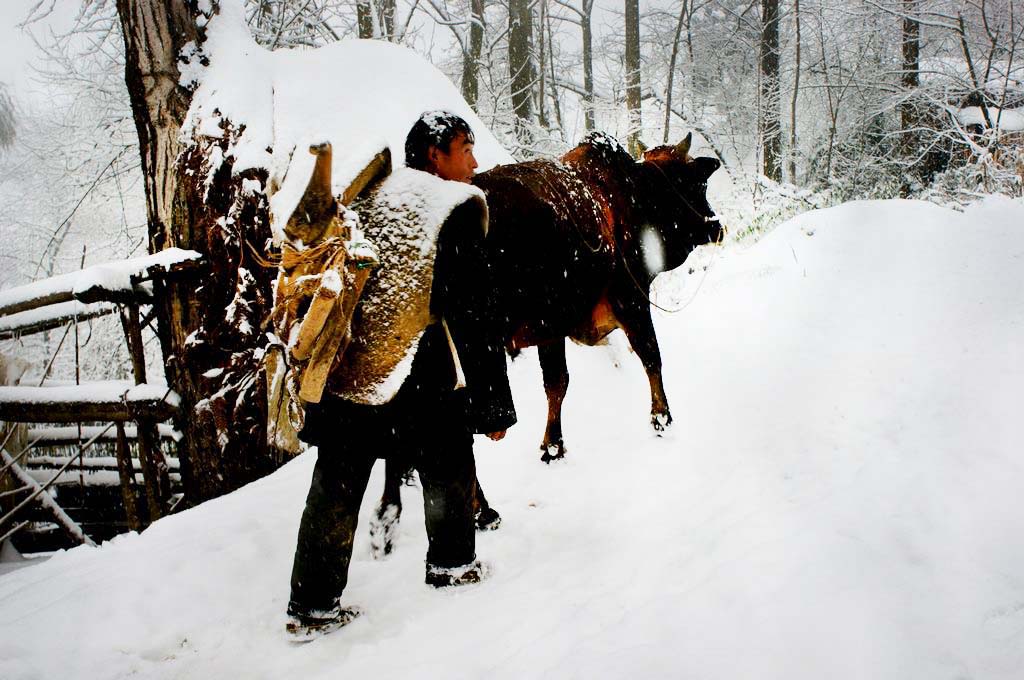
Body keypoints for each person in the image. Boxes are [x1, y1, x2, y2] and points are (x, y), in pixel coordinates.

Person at [285, 111, 516, 640]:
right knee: (448, 465)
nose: (475, 162)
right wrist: (492, 405)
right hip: (423, 372)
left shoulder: (365, 197)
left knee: (336, 488)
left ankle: (311, 606)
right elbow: (474, 312)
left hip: (352, 371)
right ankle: (453, 569)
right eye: (465, 148)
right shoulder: (451, 207)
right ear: (435, 154)